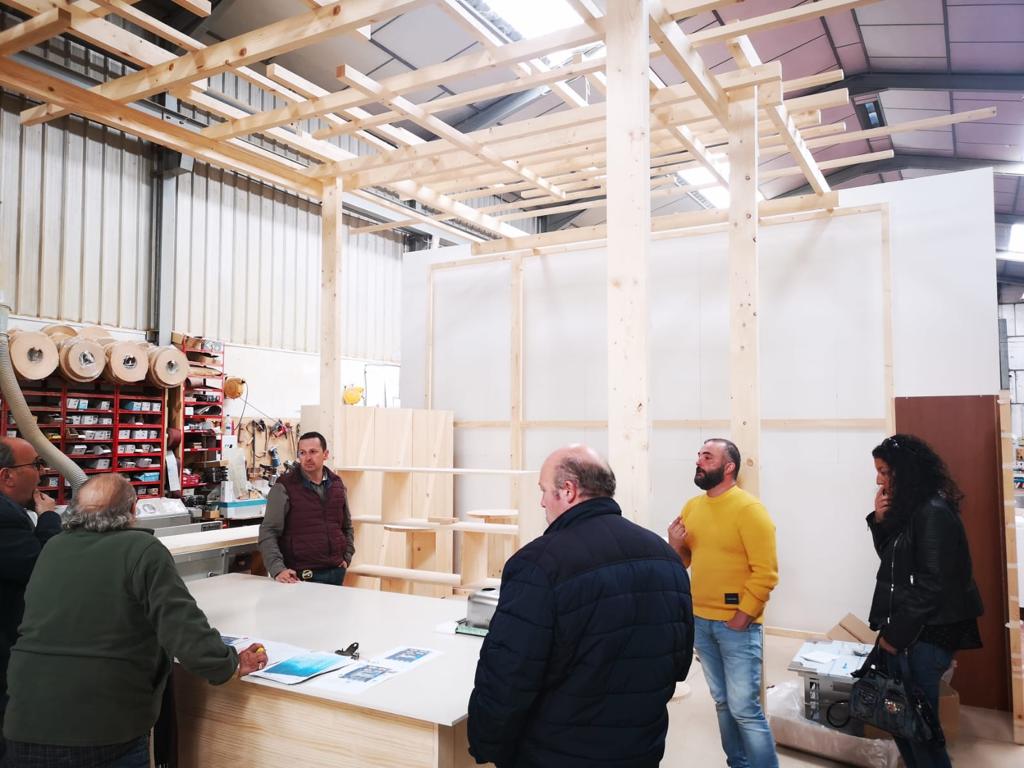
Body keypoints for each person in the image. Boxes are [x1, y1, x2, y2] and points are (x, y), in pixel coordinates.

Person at [2, 474, 267, 767]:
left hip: (25, 721)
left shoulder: (53, 547)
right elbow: (183, 627)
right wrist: (227, 663)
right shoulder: (142, 550)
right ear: (133, 511)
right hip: (103, 725)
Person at [468, 444, 693, 768]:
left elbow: (509, 676)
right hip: (642, 749)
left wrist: (486, 745)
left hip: (557, 753)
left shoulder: (539, 564)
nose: (542, 500)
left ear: (569, 491)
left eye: (544, 490)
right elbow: (678, 664)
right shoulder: (666, 558)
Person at [867, 434, 983, 768]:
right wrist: (880, 521)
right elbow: (894, 563)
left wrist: (894, 636)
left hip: (925, 635)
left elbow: (932, 585)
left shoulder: (932, 511)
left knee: (920, 729)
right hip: (911, 630)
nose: (878, 479)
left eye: (885, 471)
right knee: (904, 722)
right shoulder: (914, 508)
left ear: (906, 471)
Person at [668, 438, 780, 768]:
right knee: (721, 702)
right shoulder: (692, 507)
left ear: (728, 467)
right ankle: (739, 764)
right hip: (700, 623)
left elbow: (766, 574)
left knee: (745, 708)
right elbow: (683, 561)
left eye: (706, 456)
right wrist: (674, 543)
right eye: (698, 455)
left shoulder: (749, 510)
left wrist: (742, 617)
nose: (698, 461)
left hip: (737, 625)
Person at [0, 437, 59, 762]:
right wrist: (49, 517)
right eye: (36, 464)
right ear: (7, 476)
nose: (42, 472)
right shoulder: (4, 516)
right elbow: (40, 566)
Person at [258, 431, 354, 585]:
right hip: (301, 576)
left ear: (325, 454)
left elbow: (346, 526)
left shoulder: (337, 484)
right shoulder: (284, 487)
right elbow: (268, 531)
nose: (307, 458)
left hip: (336, 572)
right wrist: (277, 569)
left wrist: (347, 556)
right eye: (302, 453)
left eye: (313, 452)